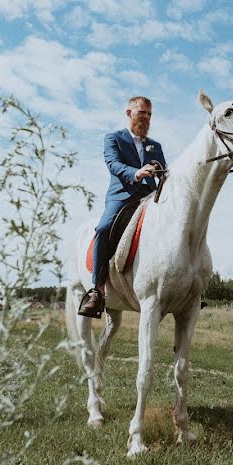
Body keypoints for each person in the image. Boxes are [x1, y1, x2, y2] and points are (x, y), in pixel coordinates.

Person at [78, 96, 167, 318]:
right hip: (122, 197)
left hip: (149, 197)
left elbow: (163, 173)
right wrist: (135, 173)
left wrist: (164, 172)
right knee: (103, 229)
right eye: (142, 113)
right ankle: (97, 292)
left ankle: (184, 288)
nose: (146, 118)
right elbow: (113, 164)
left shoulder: (155, 146)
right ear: (129, 113)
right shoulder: (114, 139)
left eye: (149, 114)